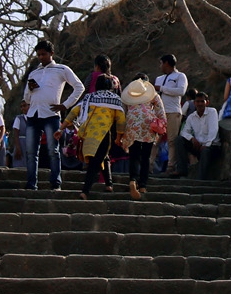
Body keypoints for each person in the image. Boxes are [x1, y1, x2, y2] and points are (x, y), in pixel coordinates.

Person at [22, 40, 84, 191]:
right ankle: (31, 184)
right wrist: (30, 89)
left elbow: (79, 87)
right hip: (33, 113)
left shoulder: (61, 69)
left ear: (51, 54)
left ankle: (55, 183)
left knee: (53, 150)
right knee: (31, 152)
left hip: (51, 114)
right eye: (39, 55)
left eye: (44, 54)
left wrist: (65, 105)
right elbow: (26, 99)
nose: (41, 57)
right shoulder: (34, 73)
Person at [66, 71, 124, 199]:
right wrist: (119, 136)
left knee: (100, 158)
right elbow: (121, 120)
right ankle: (86, 191)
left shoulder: (89, 98)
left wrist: (62, 127)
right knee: (96, 161)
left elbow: (74, 112)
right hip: (104, 136)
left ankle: (105, 185)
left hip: (89, 135)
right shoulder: (115, 99)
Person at [120, 77, 166, 200]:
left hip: (132, 124)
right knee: (145, 157)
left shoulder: (127, 96)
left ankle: (132, 179)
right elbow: (160, 111)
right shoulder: (153, 95)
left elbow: (122, 112)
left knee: (134, 155)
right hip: (148, 124)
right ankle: (143, 185)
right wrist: (162, 124)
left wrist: (121, 131)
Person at [175, 91, 221, 180]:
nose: (200, 104)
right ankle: (182, 170)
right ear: (194, 103)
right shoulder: (192, 117)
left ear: (207, 103)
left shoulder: (212, 112)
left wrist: (206, 145)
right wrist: (191, 138)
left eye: (202, 101)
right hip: (198, 145)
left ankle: (200, 180)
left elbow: (213, 130)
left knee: (205, 151)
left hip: (212, 146)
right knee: (179, 140)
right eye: (197, 101)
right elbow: (184, 132)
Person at [154, 54, 188, 173]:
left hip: (173, 111)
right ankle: (149, 164)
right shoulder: (159, 78)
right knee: (154, 140)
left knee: (172, 140)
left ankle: (171, 165)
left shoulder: (180, 76)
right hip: (159, 113)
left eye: (161, 63)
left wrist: (162, 88)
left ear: (166, 63)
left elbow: (181, 91)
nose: (160, 66)